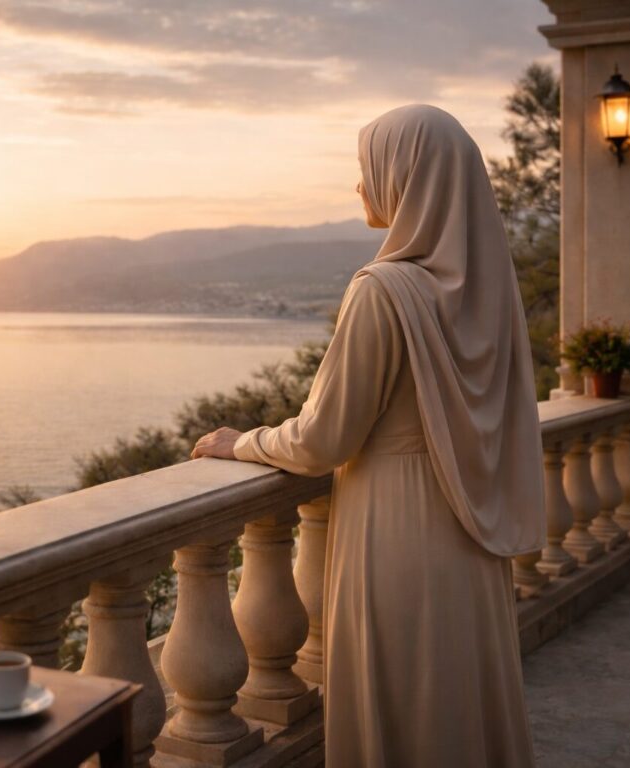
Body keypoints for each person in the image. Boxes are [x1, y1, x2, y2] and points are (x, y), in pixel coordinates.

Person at [190, 104, 545, 767]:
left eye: (368, 170)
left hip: (397, 528)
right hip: (469, 531)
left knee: (403, 708)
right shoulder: (486, 292)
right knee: (458, 701)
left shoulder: (383, 290)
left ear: (407, 179)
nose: (360, 187)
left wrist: (242, 442)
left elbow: (324, 439)